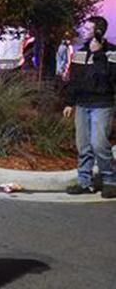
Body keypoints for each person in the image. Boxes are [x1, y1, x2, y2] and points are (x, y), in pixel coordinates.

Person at [63, 16, 116, 198]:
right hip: (82, 105)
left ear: (98, 32)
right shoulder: (79, 52)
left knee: (99, 144)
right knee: (83, 145)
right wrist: (69, 102)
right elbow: (74, 81)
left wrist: (99, 54)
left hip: (102, 104)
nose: (82, 31)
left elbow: (109, 78)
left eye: (87, 29)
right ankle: (84, 181)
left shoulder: (111, 53)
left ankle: (110, 180)